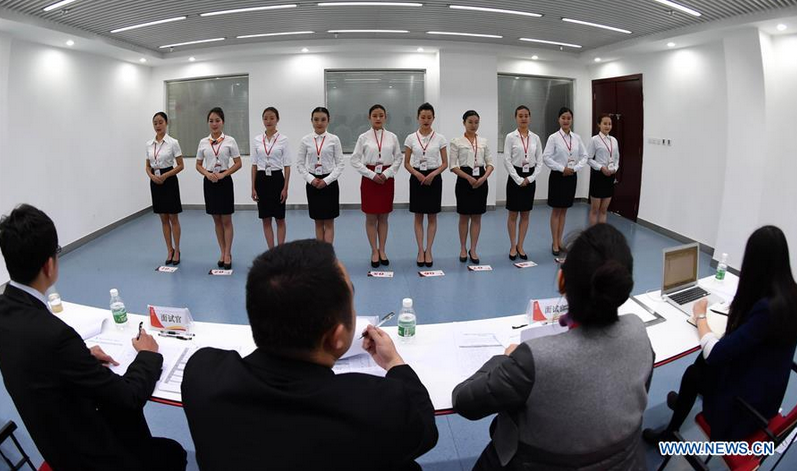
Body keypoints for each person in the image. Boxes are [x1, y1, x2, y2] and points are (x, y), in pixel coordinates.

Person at [182, 239, 438, 470]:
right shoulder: (378, 404)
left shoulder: (203, 374)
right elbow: (424, 430)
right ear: (337, 338)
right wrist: (394, 362)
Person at [0, 204, 186, 471]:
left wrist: (81, 357)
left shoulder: (6, 313)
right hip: (93, 458)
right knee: (173, 453)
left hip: (56, 447)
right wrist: (148, 355)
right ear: (49, 265)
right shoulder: (56, 336)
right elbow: (128, 397)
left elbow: (34, 359)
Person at [452, 224, 653, 470]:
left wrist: (504, 360)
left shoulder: (535, 359)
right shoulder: (638, 332)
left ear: (561, 281)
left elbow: (464, 401)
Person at [643, 225, 797, 444]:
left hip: (745, 409)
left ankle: (669, 436)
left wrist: (700, 316)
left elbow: (716, 353)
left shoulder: (767, 310)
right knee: (701, 361)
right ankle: (685, 399)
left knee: (694, 372)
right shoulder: (789, 294)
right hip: (765, 392)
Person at [351, 104, 403, 267]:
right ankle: (374, 250)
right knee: (371, 217)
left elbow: (398, 158)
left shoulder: (392, 137)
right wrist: (371, 174)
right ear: (369, 118)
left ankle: (383, 250)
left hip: (386, 179)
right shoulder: (363, 137)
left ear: (385, 117)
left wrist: (387, 173)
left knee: (384, 217)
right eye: (375, 115)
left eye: (381, 115)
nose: (378, 118)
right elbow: (355, 160)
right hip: (370, 179)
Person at [195, 107, 242, 270]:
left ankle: (228, 253)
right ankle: (222, 252)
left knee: (226, 220)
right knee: (216, 219)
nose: (214, 124)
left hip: (224, 181)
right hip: (209, 182)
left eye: (217, 120)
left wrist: (223, 174)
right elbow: (198, 165)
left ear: (223, 122)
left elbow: (238, 163)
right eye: (211, 121)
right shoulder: (203, 142)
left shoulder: (230, 141)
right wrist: (207, 174)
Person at [404, 102, 448, 268]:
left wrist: (433, 174)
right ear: (418, 118)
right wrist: (417, 174)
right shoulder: (411, 138)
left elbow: (445, 163)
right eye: (423, 117)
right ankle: (420, 250)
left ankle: (428, 250)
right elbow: (406, 163)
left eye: (429, 117)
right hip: (417, 178)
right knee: (418, 216)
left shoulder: (440, 138)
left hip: (433, 178)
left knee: (432, 216)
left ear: (433, 118)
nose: (426, 120)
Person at [450, 110, 494, 265]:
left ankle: (473, 249)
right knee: (464, 217)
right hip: (464, 179)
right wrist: (468, 177)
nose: (473, 125)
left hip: (481, 180)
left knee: (476, 217)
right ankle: (463, 248)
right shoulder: (456, 141)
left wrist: (483, 178)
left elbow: (490, 163)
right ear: (464, 123)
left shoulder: (483, 141)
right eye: (470, 122)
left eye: (476, 122)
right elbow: (453, 166)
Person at [542, 107, 588, 257]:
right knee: (556, 210)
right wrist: (562, 168)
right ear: (559, 120)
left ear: (571, 120)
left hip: (571, 176)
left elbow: (584, 156)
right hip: (558, 176)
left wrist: (575, 168)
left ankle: (560, 240)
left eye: (568, 118)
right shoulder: (553, 138)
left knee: (564, 211)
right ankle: (554, 243)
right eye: (563, 118)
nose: (566, 121)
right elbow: (546, 157)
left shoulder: (576, 138)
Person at [295, 107, 345, 243]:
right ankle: (320, 253)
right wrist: (311, 179)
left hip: (330, 183)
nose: (319, 123)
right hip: (313, 183)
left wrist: (327, 181)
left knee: (329, 222)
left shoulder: (334, 139)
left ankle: (327, 254)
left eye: (323, 119)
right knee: (317, 222)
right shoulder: (305, 140)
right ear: (311, 121)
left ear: (328, 121)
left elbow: (340, 164)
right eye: (316, 119)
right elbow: (300, 164)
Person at [503, 105, 543, 261]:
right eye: (520, 116)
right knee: (513, 214)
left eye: (526, 115)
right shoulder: (510, 137)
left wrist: (530, 178)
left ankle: (521, 245)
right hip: (515, 178)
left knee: (525, 214)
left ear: (530, 117)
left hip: (530, 177)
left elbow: (539, 161)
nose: (523, 118)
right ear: (516, 118)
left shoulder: (535, 138)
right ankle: (512, 246)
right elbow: (507, 160)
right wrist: (518, 179)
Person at [146, 112, 184, 266]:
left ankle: (177, 249)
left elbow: (180, 165)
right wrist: (151, 176)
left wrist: (166, 175)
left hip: (169, 180)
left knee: (173, 217)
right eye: (155, 123)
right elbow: (147, 166)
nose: (158, 125)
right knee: (163, 218)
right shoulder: (149, 144)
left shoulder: (173, 143)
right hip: (155, 181)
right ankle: (169, 249)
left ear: (166, 123)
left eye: (160, 122)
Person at [251, 106, 292, 249]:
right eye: (265, 118)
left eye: (272, 118)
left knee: (280, 218)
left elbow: (287, 166)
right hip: (261, 179)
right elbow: (254, 165)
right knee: (265, 219)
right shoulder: (257, 140)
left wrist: (285, 188)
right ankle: (271, 251)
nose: (268, 121)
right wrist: (253, 187)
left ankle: (280, 251)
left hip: (277, 179)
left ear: (277, 120)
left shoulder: (283, 139)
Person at [587, 114, 619, 226]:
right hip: (598, 176)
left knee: (604, 210)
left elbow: (617, 158)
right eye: (605, 123)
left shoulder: (614, 140)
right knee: (595, 209)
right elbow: (588, 159)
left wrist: (615, 168)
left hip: (610, 176)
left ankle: (601, 233)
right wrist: (601, 167)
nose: (607, 126)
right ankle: (592, 234)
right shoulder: (594, 140)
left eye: (609, 124)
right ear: (599, 124)